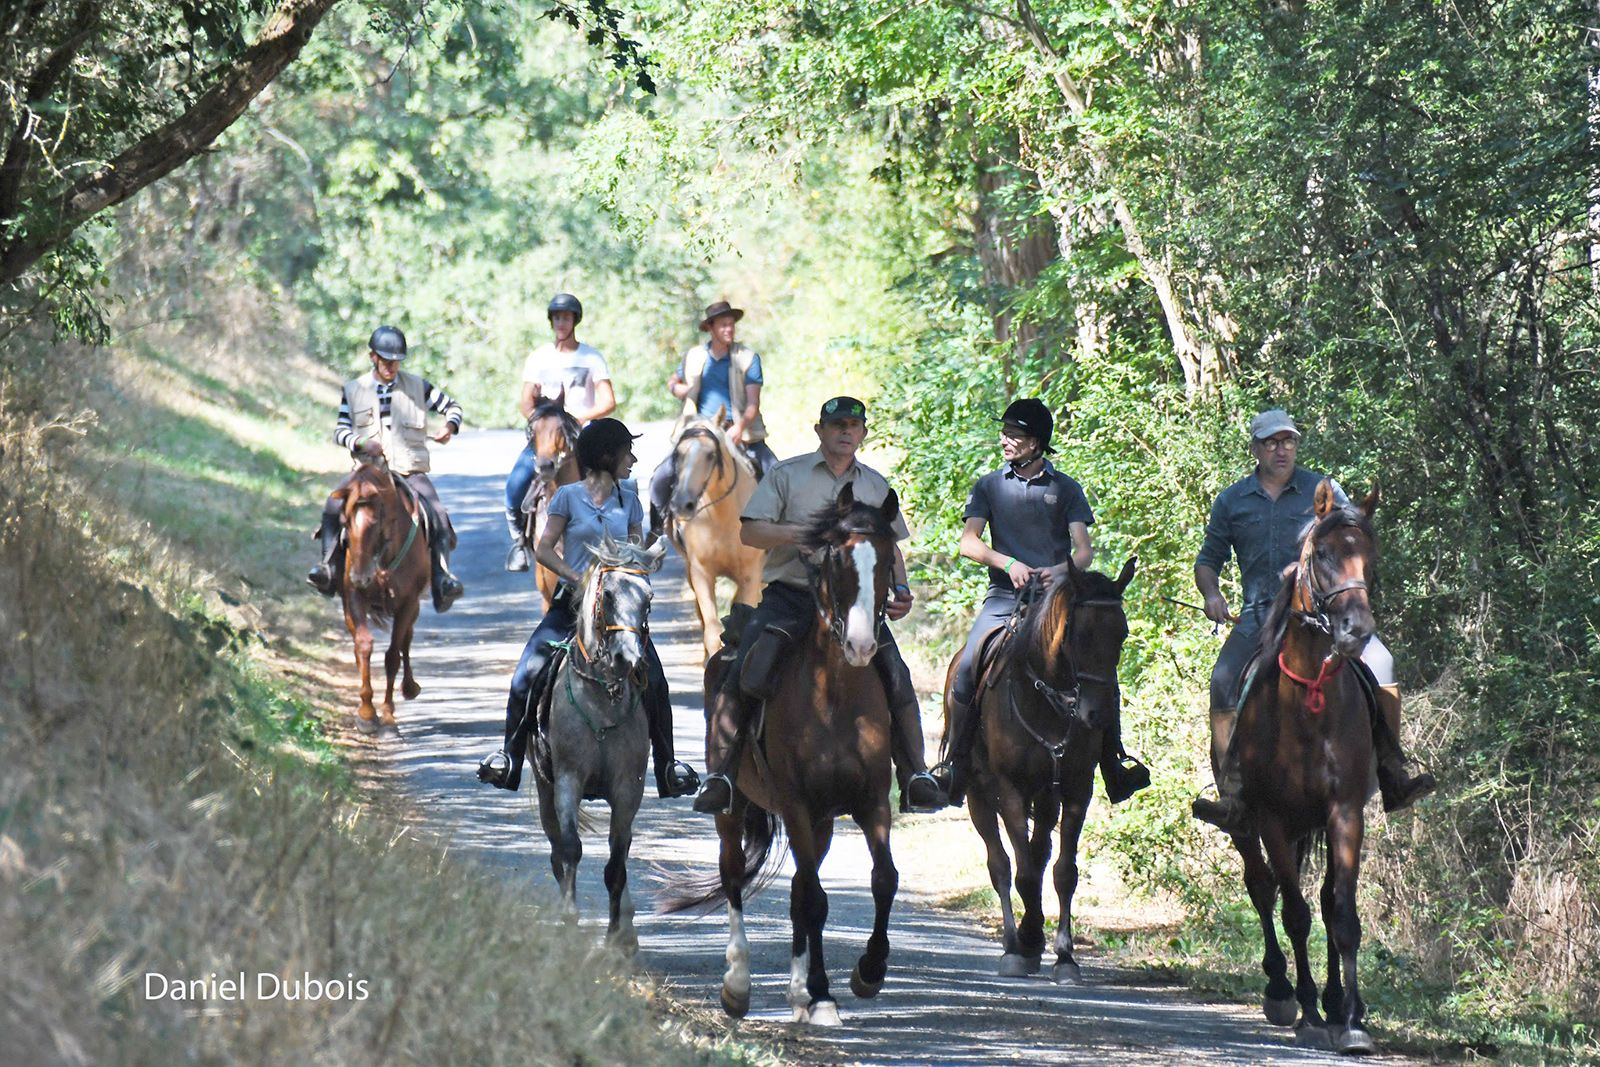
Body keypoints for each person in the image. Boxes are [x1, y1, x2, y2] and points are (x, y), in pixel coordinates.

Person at [691, 396, 948, 816]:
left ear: (863, 433)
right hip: (790, 597)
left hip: (856, 608)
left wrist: (901, 589)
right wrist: (801, 533)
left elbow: (891, 548)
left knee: (897, 676)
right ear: (820, 430)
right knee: (744, 670)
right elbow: (751, 533)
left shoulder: (876, 485)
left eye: (854, 425)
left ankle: (915, 774)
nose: (845, 432)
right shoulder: (787, 475)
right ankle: (722, 775)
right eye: (837, 425)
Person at [1191, 409, 1435, 834]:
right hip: (1258, 617)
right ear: (1255, 448)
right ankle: (1231, 794)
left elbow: (1352, 534)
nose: (1281, 449)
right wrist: (1212, 593)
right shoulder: (1232, 500)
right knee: (1222, 679)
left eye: (1288, 441)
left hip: (1320, 617)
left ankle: (1393, 772)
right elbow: (1207, 561)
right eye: (1271, 442)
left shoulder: (1322, 490)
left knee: (1382, 663)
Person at [929, 398, 1151, 807]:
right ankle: (954, 764)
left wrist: (1061, 571)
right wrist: (1008, 562)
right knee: (966, 666)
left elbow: (1083, 550)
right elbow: (968, 542)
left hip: (1055, 601)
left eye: (1014, 435)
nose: (1005, 440)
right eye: (1005, 433)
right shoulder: (989, 486)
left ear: (1036, 443)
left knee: (1099, 672)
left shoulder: (1065, 488)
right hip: (1003, 597)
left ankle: (1114, 762)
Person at [477, 418, 700, 798]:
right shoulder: (566, 496)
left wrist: (647, 558)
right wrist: (577, 577)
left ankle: (668, 767)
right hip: (572, 605)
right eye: (626, 451)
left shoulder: (629, 497)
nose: (632, 459)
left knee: (657, 682)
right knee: (526, 673)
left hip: (617, 609)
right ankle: (510, 757)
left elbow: (633, 551)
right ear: (606, 455)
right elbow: (545, 548)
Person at [308, 325, 464, 612]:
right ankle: (327, 567)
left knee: (439, 515)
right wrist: (360, 441)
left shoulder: (419, 386)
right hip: (368, 471)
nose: (392, 366)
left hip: (409, 470)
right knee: (332, 506)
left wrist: (449, 426)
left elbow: (453, 407)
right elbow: (340, 431)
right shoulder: (354, 390)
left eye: (396, 361)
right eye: (386, 360)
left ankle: (442, 578)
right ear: (373, 357)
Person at [505, 293, 617, 571]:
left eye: (566, 318)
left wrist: (579, 418)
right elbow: (526, 402)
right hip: (546, 437)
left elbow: (608, 400)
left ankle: (619, 541)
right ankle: (520, 542)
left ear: (575, 321)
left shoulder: (591, 357)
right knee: (515, 485)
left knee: (617, 483)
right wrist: (543, 421)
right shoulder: (539, 357)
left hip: (584, 435)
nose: (561, 323)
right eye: (557, 318)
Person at [648, 300, 779, 535]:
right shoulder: (694, 356)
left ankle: (784, 543)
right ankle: (657, 533)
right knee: (660, 478)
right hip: (698, 432)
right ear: (710, 327)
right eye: (723, 325)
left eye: (732, 325)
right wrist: (680, 390)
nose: (729, 329)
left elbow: (753, 404)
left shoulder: (748, 358)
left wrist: (739, 427)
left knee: (776, 475)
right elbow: (673, 382)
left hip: (739, 432)